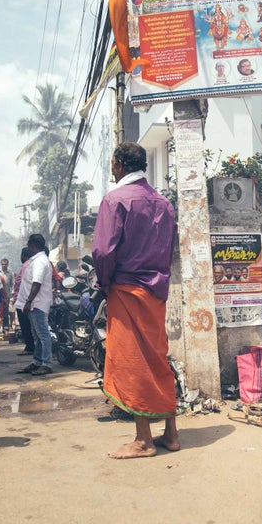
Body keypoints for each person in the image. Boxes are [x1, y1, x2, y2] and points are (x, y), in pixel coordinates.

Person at [93, 142, 179, 459]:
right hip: (156, 291)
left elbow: (103, 252)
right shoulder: (163, 204)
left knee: (133, 362)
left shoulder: (115, 200)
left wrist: (103, 283)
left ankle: (143, 440)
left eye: (112, 163)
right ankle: (171, 434)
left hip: (127, 288)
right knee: (157, 357)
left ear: (118, 165)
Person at [15, 234, 54, 376]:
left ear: (32, 246)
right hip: (34, 303)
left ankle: (46, 363)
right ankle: (37, 361)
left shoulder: (40, 262)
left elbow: (36, 282)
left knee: (42, 334)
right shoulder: (37, 260)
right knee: (37, 335)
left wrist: (29, 301)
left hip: (37, 303)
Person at [13, 247, 35, 356]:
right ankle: (30, 345)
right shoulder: (26, 266)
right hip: (22, 300)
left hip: (24, 301)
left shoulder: (27, 266)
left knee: (26, 325)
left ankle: (30, 346)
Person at [0, 258, 15, 334]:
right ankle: (3, 327)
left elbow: (13, 285)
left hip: (8, 295)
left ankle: (10, 325)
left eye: (5, 264)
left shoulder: (10, 273)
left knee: (11, 311)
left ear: (7, 265)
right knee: (2, 312)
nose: (4, 266)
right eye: (2, 264)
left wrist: (12, 295)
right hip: (0, 295)